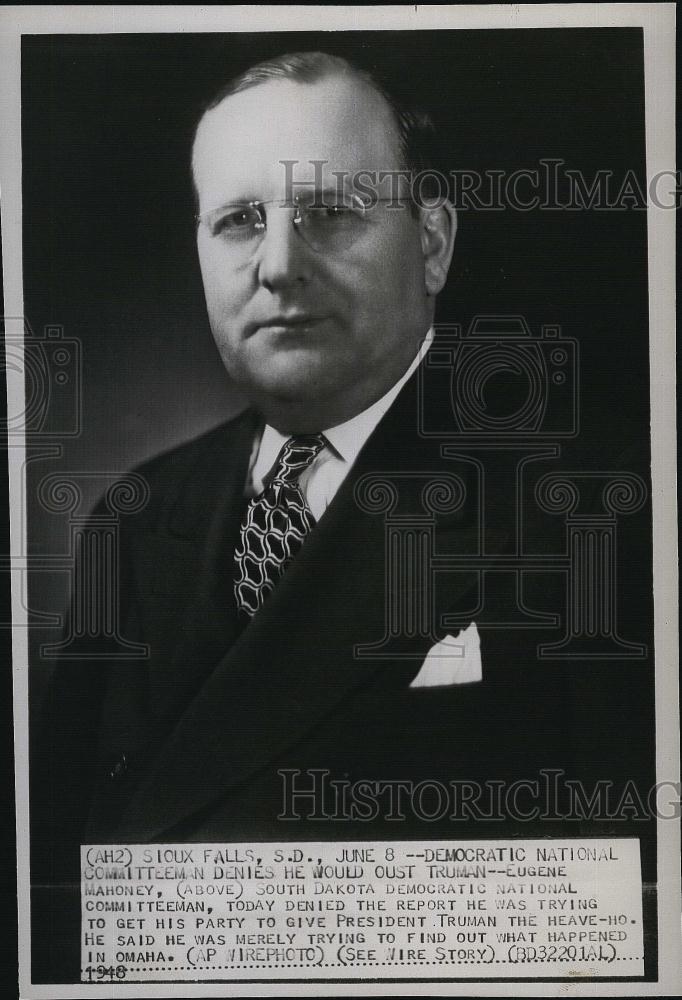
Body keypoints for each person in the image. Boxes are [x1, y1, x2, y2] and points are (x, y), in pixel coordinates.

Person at [31, 50, 655, 980]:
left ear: (433, 243)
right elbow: (49, 903)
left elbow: (633, 918)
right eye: (240, 220)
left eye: (330, 212)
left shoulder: (601, 497)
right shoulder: (134, 515)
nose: (279, 265)